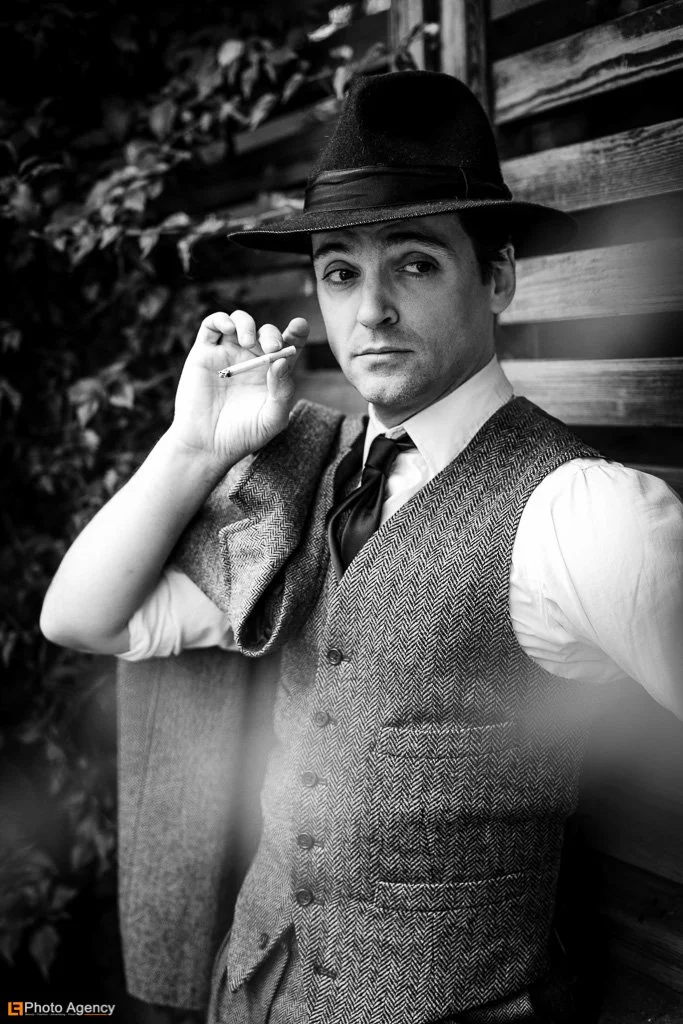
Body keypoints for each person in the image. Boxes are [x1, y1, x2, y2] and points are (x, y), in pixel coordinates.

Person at [40, 71, 683, 1024]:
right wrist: (194, 447)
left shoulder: (582, 512)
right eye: (341, 272)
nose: (370, 310)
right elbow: (82, 620)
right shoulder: (304, 476)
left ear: (497, 275)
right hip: (250, 993)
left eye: (415, 264)